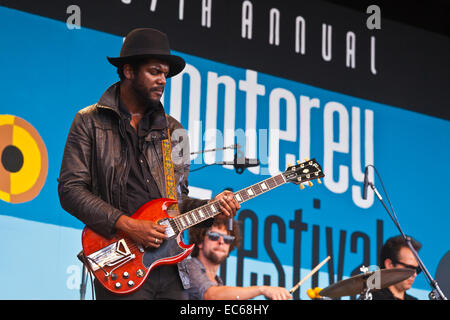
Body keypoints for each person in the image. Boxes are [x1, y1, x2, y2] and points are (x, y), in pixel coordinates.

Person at [58, 28, 240, 300]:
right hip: (122, 262)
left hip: (173, 267)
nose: (162, 80)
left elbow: (178, 202)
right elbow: (70, 190)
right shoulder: (89, 122)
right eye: (155, 72)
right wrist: (129, 226)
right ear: (129, 71)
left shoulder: (174, 131)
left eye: (165, 74)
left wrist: (214, 208)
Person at [186, 215, 292, 300]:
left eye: (227, 239)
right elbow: (210, 295)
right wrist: (262, 289)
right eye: (214, 236)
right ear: (199, 241)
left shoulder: (219, 282)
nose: (221, 242)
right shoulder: (188, 267)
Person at [371, 235, 422, 300]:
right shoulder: (371, 298)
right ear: (390, 265)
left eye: (417, 269)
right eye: (409, 268)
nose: (414, 274)